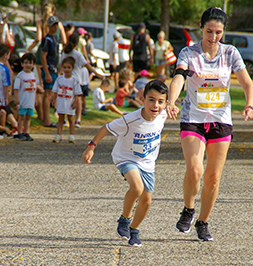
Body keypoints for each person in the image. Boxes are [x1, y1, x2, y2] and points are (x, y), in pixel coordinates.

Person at [166, 7, 253, 241]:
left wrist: (249, 104)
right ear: (201, 28)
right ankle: (188, 209)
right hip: (193, 119)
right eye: (209, 31)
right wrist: (171, 101)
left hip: (220, 121)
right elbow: (178, 78)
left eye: (218, 32)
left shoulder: (230, 53)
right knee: (195, 170)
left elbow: (247, 83)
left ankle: (203, 222)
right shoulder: (189, 52)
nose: (213, 36)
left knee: (213, 177)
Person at [82, 80, 168, 246]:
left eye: (160, 101)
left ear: (165, 103)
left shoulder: (162, 115)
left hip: (148, 163)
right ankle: (124, 219)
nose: (155, 105)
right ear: (142, 99)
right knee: (137, 187)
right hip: (126, 158)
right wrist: (91, 147)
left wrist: (172, 107)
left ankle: (134, 230)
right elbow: (106, 127)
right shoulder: (130, 119)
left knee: (146, 201)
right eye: (151, 99)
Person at [59, 33, 103, 128]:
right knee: (78, 99)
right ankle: (78, 119)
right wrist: (97, 74)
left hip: (66, 78)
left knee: (66, 98)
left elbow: (60, 66)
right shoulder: (78, 54)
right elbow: (87, 65)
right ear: (77, 43)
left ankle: (65, 119)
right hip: (76, 79)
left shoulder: (64, 53)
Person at [52, 56, 82, 143]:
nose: (67, 69)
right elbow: (55, 91)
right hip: (61, 102)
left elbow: (77, 93)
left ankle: (71, 135)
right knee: (61, 119)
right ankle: (58, 134)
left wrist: (75, 102)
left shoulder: (74, 80)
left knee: (71, 119)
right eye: (65, 67)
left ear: (72, 68)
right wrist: (54, 100)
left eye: (69, 67)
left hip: (70, 103)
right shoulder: (59, 79)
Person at [41, 16, 60, 128]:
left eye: (56, 25)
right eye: (53, 25)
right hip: (49, 69)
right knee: (47, 95)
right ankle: (46, 119)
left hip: (55, 69)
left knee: (50, 95)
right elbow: (43, 57)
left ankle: (46, 117)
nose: (55, 27)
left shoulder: (56, 38)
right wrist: (47, 73)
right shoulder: (47, 39)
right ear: (48, 26)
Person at [13, 53, 38, 141]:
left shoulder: (33, 75)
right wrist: (16, 98)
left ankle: (26, 132)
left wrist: (35, 99)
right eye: (26, 63)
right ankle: (20, 132)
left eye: (30, 63)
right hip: (23, 100)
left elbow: (34, 89)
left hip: (30, 100)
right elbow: (16, 88)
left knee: (28, 117)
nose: (28, 65)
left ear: (33, 64)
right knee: (22, 116)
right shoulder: (20, 75)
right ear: (22, 64)